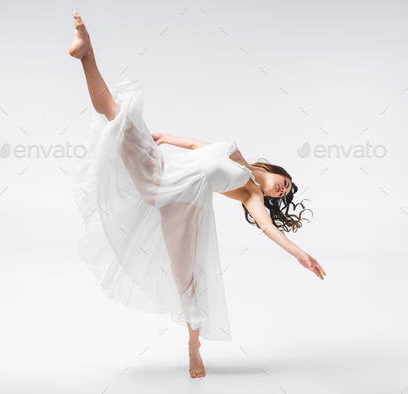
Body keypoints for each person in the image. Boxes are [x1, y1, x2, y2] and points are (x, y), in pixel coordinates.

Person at [69, 11, 326, 379]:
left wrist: (301, 254)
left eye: (283, 193)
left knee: (187, 280)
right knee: (117, 116)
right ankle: (86, 53)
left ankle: (194, 345)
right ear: (273, 170)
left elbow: (270, 230)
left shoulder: (250, 195)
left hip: (184, 205)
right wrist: (165, 137)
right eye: (283, 182)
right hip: (164, 172)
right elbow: (196, 145)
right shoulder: (237, 154)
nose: (281, 190)